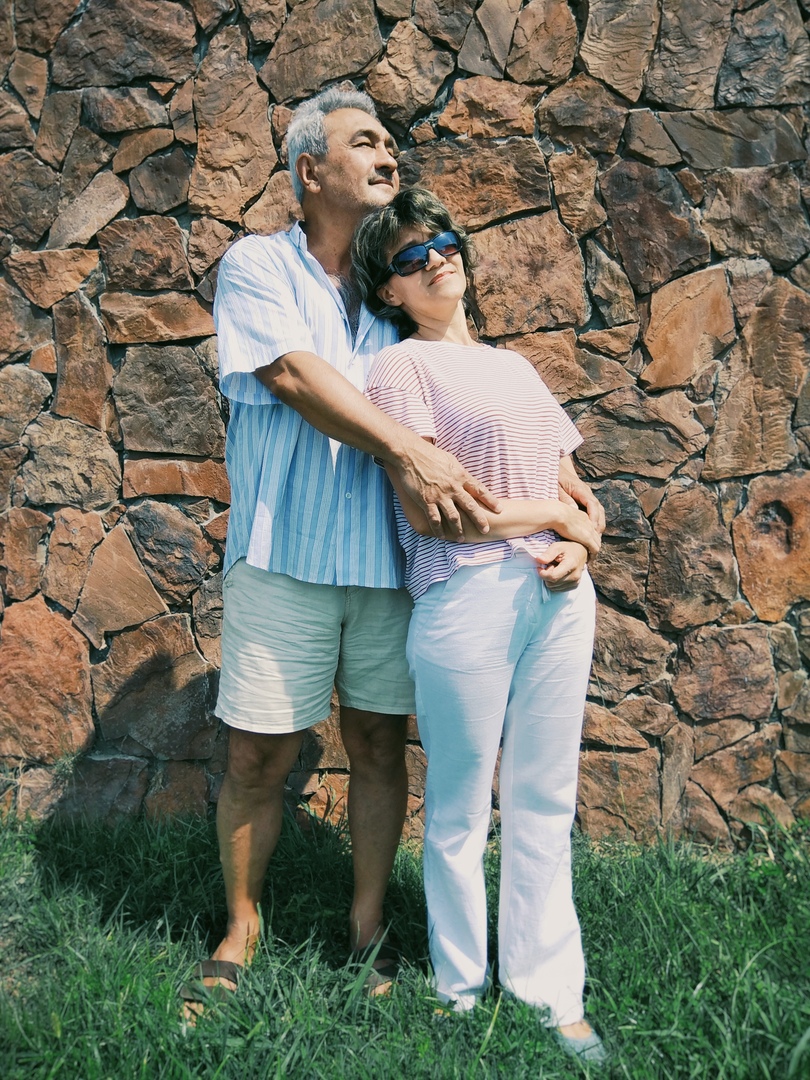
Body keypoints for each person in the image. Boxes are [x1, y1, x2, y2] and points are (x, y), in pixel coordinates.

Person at [180, 88, 507, 1012]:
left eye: (391, 142)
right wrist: (409, 450)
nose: (388, 154)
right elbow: (292, 373)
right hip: (282, 551)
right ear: (309, 171)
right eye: (365, 142)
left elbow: (474, 383)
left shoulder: (399, 286)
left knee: (377, 745)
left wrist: (560, 505)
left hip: (387, 562)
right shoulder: (257, 265)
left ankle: (366, 928)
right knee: (259, 755)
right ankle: (241, 926)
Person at [352, 188, 608, 1065]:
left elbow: (580, 492)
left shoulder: (517, 367)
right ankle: (459, 992)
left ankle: (550, 993)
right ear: (389, 290)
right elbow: (437, 515)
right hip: (466, 594)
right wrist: (556, 521)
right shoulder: (400, 370)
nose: (436, 260)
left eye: (445, 243)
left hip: (558, 594)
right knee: (460, 807)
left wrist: (581, 542)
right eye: (410, 258)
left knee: (545, 798)